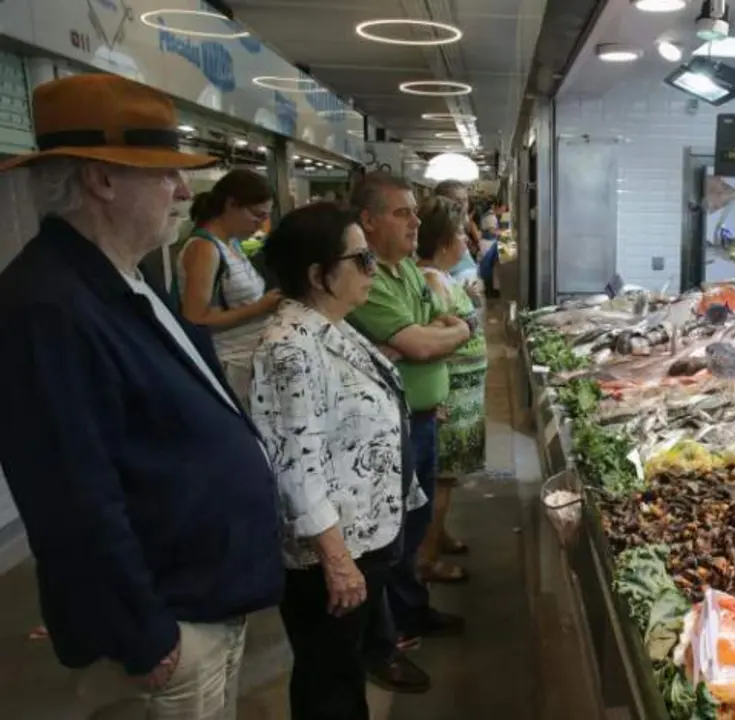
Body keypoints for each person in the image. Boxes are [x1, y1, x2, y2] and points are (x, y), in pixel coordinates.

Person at [0, 74, 281, 719]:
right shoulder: (48, 306)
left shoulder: (118, 276)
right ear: (102, 179)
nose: (184, 191)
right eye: (165, 175)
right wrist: (145, 635)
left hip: (204, 603)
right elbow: (72, 498)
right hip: (166, 634)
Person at [251, 203, 428, 718]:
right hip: (332, 555)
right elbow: (295, 466)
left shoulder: (331, 325)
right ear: (318, 274)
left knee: (344, 670)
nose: (373, 270)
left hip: (364, 537)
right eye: (362, 259)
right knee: (327, 680)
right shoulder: (290, 347)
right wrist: (336, 561)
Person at [345, 173, 471, 683]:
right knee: (384, 539)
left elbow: (449, 324)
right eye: (403, 213)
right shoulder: (368, 277)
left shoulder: (408, 274)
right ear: (368, 222)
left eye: (416, 213)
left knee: (414, 528)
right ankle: (383, 642)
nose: (416, 222)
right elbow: (422, 344)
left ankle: (411, 610)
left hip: (420, 417)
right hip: (382, 428)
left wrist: (441, 334)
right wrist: (429, 338)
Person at [414, 197, 489, 585]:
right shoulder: (430, 278)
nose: (466, 239)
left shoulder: (440, 276)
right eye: (460, 232)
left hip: (461, 391)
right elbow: (442, 334)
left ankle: (437, 537)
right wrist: (464, 322)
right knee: (441, 480)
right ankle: (426, 560)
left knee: (446, 479)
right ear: (444, 241)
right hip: (450, 395)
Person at [177, 169, 283, 404]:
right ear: (231, 204)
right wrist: (258, 308)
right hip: (229, 365)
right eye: (256, 215)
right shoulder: (204, 249)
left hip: (249, 363)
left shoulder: (232, 244)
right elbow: (195, 319)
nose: (260, 224)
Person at [432, 180, 484, 304]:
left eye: (465, 200)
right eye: (457, 200)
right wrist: (461, 293)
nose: (462, 205)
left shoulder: (462, 224)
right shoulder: (438, 232)